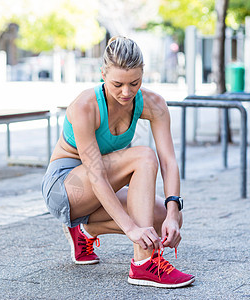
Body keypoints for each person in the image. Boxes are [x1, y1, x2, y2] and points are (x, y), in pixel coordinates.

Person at [41, 36, 195, 288]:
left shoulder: (154, 104)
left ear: (143, 74)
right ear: (102, 74)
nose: (126, 92)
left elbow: (169, 161)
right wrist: (132, 229)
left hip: (102, 187)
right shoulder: (85, 107)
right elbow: (97, 176)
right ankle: (144, 264)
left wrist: (172, 210)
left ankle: (85, 231)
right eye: (117, 84)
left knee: (165, 219)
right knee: (144, 155)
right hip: (66, 188)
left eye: (134, 83)